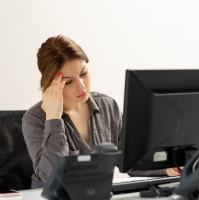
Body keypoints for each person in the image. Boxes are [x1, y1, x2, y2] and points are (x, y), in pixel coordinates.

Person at [22, 35, 182, 189]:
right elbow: (51, 177)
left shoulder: (107, 105)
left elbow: (130, 160)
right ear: (51, 84)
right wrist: (54, 119)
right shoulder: (34, 119)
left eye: (83, 73)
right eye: (69, 81)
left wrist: (167, 170)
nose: (82, 86)